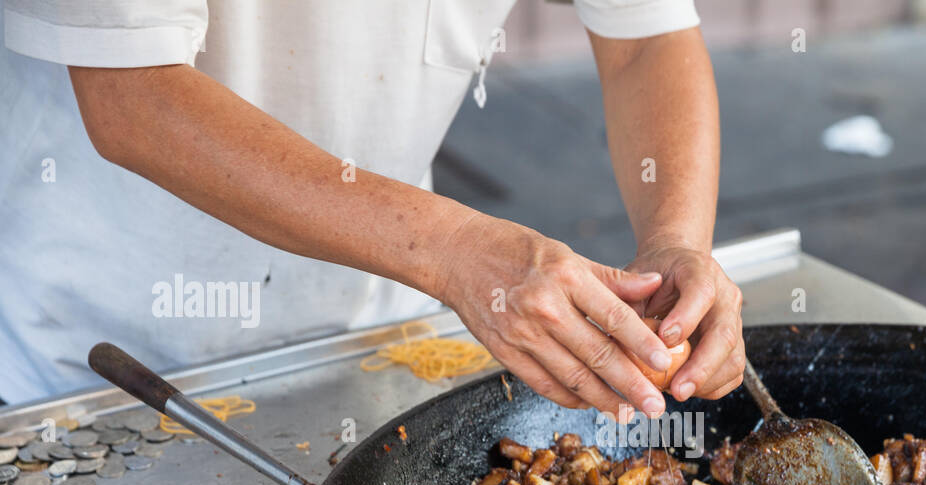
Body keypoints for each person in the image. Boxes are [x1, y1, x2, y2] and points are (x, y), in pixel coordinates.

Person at [0, 0, 745, 416]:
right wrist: (456, 249)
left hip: (375, 335)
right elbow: (134, 100)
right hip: (95, 361)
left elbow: (644, 42)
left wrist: (677, 238)